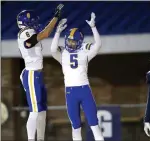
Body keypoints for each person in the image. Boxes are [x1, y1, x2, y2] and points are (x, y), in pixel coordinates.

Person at [50, 13, 104, 141]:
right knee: (76, 126)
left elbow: (97, 45)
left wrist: (93, 27)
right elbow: (52, 50)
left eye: (73, 41)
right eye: (69, 40)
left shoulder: (83, 52)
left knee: (94, 124)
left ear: (79, 42)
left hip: (83, 90)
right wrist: (57, 32)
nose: (71, 43)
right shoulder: (64, 53)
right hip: (72, 92)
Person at [18, 4, 64, 141]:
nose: (35, 23)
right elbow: (44, 34)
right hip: (31, 74)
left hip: (37, 74)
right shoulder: (25, 33)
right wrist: (55, 18)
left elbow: (42, 32)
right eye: (32, 20)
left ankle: (41, 138)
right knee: (35, 111)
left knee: (42, 110)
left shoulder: (29, 32)